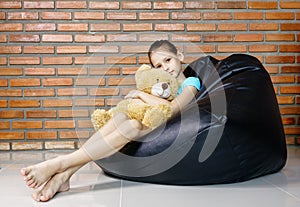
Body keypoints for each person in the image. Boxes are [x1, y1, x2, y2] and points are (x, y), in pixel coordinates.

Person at [20, 40, 201, 202]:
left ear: (179, 56)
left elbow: (173, 108)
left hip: (165, 127)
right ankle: (64, 176)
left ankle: (61, 164)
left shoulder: (191, 82)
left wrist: (139, 94)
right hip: (147, 121)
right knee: (123, 118)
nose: (165, 68)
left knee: (133, 125)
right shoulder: (161, 86)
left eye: (168, 60)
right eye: (159, 66)